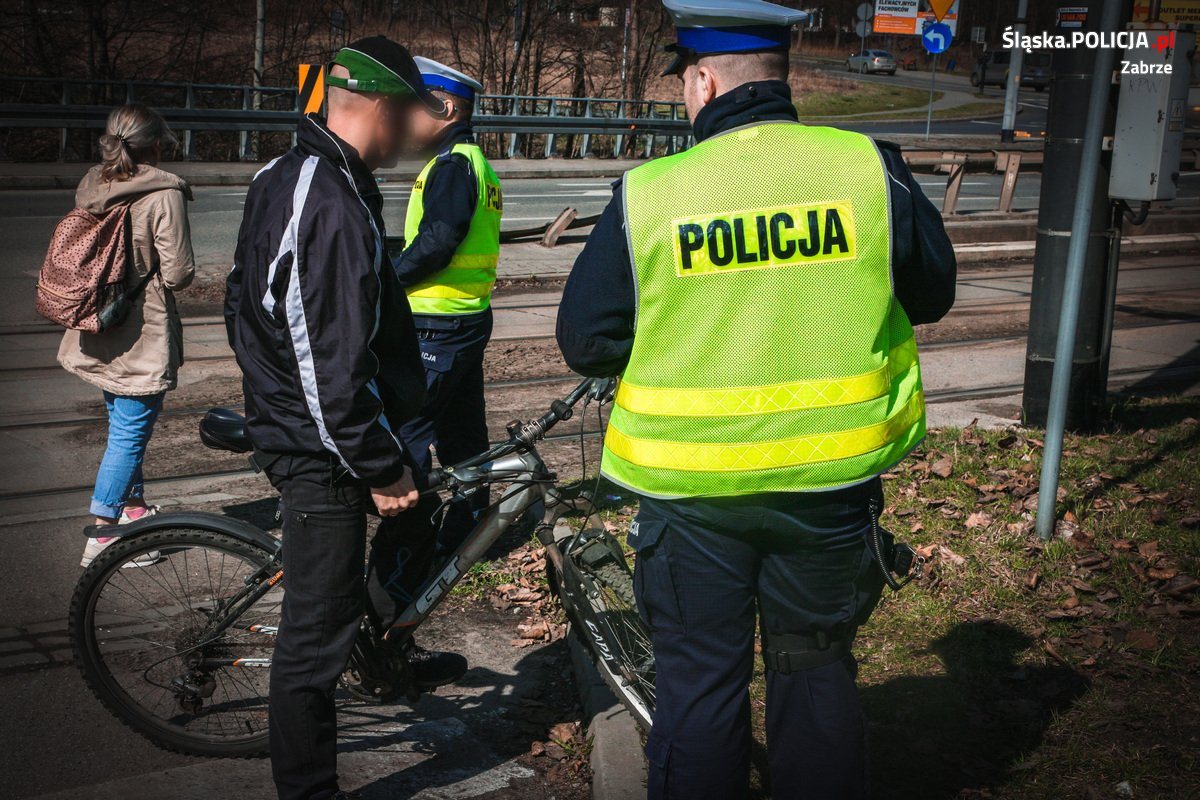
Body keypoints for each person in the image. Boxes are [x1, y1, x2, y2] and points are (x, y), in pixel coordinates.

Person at [555, 1, 957, 797]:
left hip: (691, 496)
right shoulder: (867, 166)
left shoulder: (651, 194)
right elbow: (932, 292)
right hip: (829, 487)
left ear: (703, 81)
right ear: (780, 74)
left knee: (701, 688)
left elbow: (586, 340)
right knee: (815, 675)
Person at [225, 36, 467, 800]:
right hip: (321, 445)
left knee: (415, 521)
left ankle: (389, 650)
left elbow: (245, 303)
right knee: (311, 645)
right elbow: (328, 365)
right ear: (384, 108)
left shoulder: (314, 174)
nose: (416, 132)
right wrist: (377, 463)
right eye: (412, 115)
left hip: (337, 429)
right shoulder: (327, 198)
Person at [60, 103, 195, 568]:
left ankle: (133, 510)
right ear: (157, 144)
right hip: (141, 329)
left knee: (121, 420)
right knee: (129, 435)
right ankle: (103, 533)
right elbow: (178, 274)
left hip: (99, 321)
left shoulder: (96, 183)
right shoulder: (164, 193)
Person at [396, 57, 502, 556]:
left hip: (436, 325)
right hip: (463, 317)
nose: (406, 118)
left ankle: (410, 543)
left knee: (411, 433)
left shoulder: (454, 165)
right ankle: (471, 531)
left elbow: (439, 241)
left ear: (444, 107)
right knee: (462, 433)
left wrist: (386, 280)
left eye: (414, 107)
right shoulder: (474, 164)